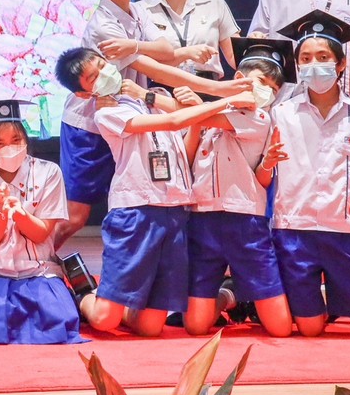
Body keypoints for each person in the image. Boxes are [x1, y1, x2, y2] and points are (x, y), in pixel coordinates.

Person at [55, 0, 249, 250]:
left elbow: (164, 49)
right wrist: (223, 89)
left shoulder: (137, 10)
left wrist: (137, 45)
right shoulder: (103, 24)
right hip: (90, 124)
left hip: (128, 115)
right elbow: (158, 68)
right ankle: (36, 260)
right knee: (76, 216)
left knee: (133, 197)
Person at [55, 46, 257, 337]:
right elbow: (174, 120)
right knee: (104, 319)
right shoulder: (106, 114)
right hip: (135, 212)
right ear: (83, 93)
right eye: (93, 77)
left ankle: (118, 305)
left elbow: (184, 145)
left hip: (175, 211)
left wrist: (186, 118)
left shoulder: (150, 97)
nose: (104, 73)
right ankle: (83, 293)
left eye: (102, 65)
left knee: (150, 327)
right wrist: (228, 100)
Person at [268, 10, 350, 338]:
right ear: (297, 66)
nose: (314, 64)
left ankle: (341, 295)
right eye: (306, 58)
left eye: (323, 57)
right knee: (310, 329)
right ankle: (327, 300)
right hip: (295, 232)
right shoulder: (280, 114)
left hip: (347, 233)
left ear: (341, 64)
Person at [180, 38, 296, 338]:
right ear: (239, 79)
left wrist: (192, 106)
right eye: (262, 82)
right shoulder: (202, 118)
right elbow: (186, 159)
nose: (267, 91)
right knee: (195, 326)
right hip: (202, 220)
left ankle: (239, 292)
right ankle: (228, 295)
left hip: (245, 223)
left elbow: (204, 115)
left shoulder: (259, 117)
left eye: (273, 88)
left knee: (280, 329)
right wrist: (194, 120)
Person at [0, 100, 83, 345]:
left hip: (37, 272)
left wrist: (19, 213)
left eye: (16, 140)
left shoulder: (49, 173)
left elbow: (41, 234)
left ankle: (79, 299)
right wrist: (1, 212)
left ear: (26, 139)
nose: (10, 148)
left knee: (59, 322)